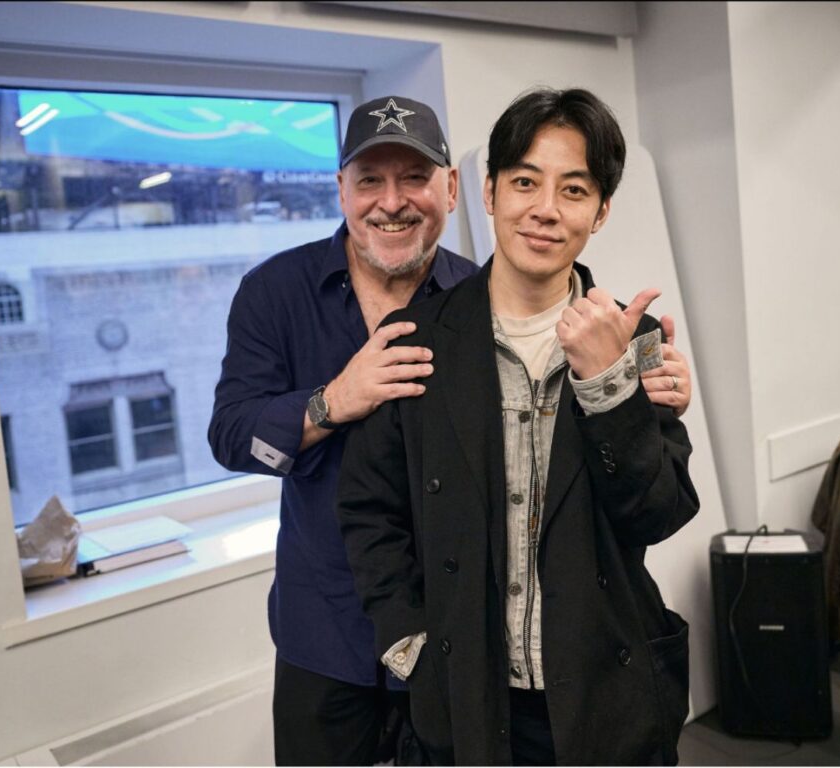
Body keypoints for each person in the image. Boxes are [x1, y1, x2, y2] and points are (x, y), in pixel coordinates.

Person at [209, 93, 694, 766]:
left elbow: (656, 505)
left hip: (494, 653)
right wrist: (331, 401)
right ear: (341, 188)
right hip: (336, 627)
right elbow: (239, 440)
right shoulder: (286, 294)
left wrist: (625, 393)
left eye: (414, 178)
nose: (392, 201)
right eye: (369, 180)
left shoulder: (494, 302)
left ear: (456, 188)